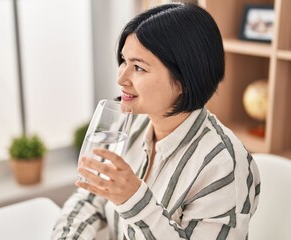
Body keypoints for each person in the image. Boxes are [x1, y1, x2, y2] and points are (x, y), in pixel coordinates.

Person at [51, 3, 260, 240]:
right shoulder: (130, 123)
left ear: (183, 81)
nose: (121, 78)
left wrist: (133, 200)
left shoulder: (222, 166)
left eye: (138, 67)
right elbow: (89, 197)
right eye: (123, 61)